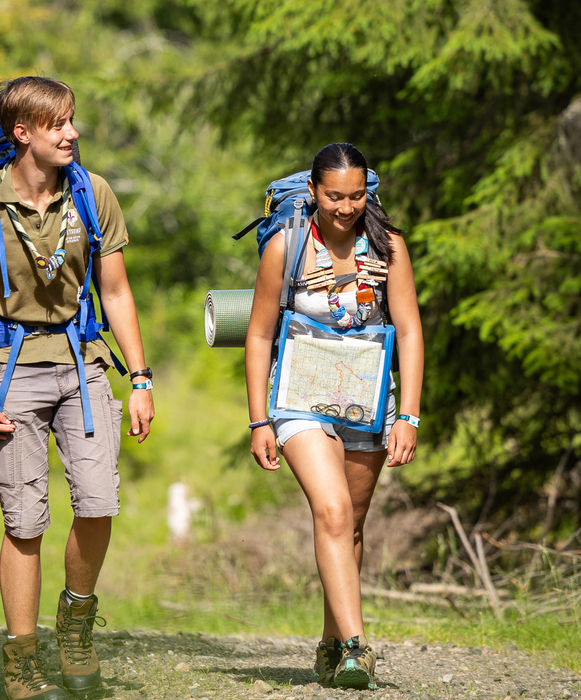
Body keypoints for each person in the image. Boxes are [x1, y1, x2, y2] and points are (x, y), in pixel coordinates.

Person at [0, 76, 154, 700]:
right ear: (22, 133)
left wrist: (139, 378)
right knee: (24, 520)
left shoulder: (92, 193)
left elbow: (115, 291)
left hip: (83, 365)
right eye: (58, 124)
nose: (73, 134)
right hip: (6, 368)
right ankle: (22, 656)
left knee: (97, 503)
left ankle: (76, 623)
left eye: (73, 120)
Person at [243, 143, 424, 690]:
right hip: (299, 399)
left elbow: (411, 331)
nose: (346, 207)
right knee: (332, 509)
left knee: (352, 524)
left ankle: (329, 642)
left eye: (357, 195)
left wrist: (408, 415)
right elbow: (258, 334)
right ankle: (356, 646)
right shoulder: (287, 246)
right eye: (334, 196)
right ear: (314, 193)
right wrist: (258, 421)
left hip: (369, 400)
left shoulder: (389, 247)